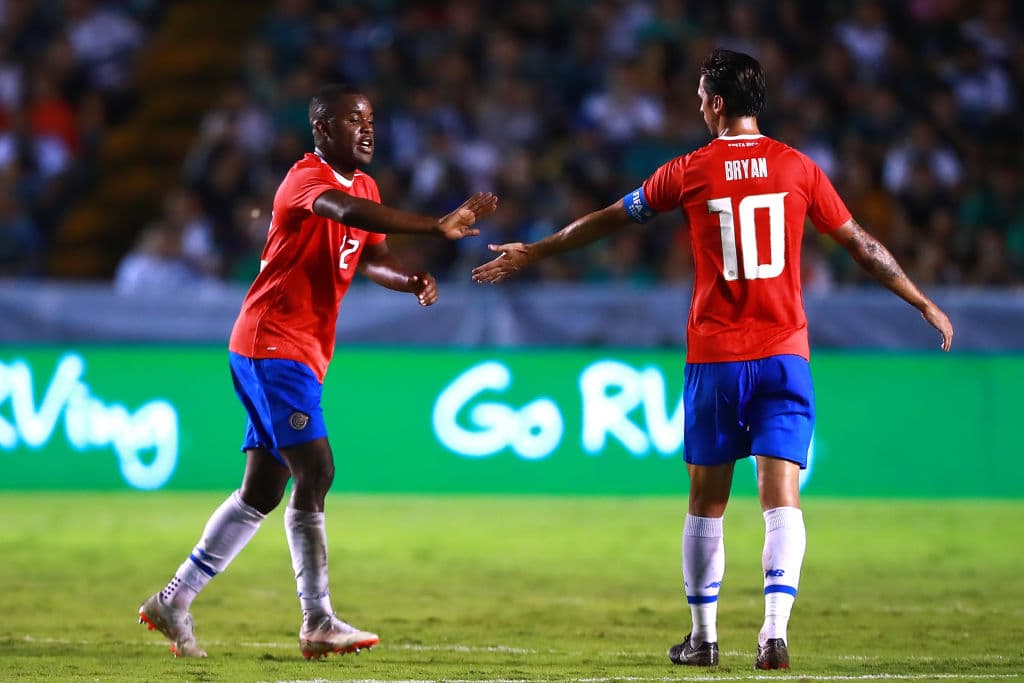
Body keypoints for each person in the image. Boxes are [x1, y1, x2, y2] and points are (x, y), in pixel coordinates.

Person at [472, 49, 953, 670]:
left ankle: (704, 639)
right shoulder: (799, 167)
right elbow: (860, 244)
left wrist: (535, 251)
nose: (699, 106)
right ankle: (773, 635)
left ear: (719, 103)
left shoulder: (689, 170)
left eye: (702, 96)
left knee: (706, 502)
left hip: (717, 357)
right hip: (785, 355)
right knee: (782, 497)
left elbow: (610, 219)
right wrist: (920, 300)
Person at [138, 83, 497, 659]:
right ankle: (318, 620)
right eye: (353, 119)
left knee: (263, 488)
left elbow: (372, 255)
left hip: (295, 349)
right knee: (317, 469)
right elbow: (342, 211)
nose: (367, 129)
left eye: (370, 118)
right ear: (323, 128)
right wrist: (435, 225)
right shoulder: (306, 179)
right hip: (272, 343)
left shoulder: (367, 186)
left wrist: (409, 279)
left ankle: (173, 599)